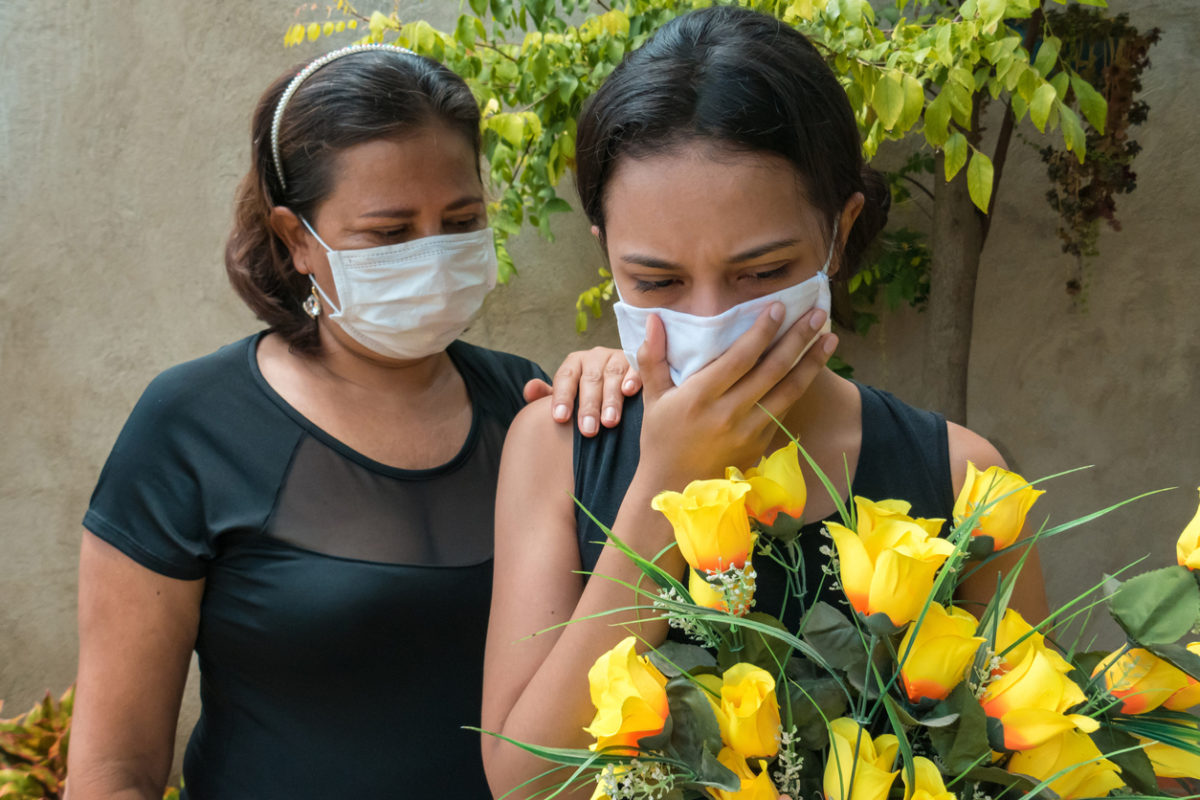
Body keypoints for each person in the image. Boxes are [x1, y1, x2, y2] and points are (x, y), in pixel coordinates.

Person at [481, 7, 1048, 797]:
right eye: (657, 282)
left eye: (761, 273)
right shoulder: (556, 449)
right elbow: (528, 783)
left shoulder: (961, 477)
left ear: (840, 232)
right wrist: (664, 486)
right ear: (605, 250)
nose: (711, 320)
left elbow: (1031, 766)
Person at [66, 44, 639, 799]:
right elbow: (114, 771)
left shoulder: (531, 408)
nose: (432, 255)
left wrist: (617, 384)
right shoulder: (192, 429)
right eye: (390, 232)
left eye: (460, 219)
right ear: (296, 238)